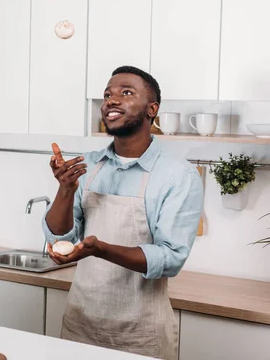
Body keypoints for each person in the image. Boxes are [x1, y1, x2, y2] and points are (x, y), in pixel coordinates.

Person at [42, 66, 203, 359]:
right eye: (107, 95)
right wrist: (65, 190)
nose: (111, 101)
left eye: (126, 93)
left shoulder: (177, 174)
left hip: (141, 334)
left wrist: (100, 249)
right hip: (80, 325)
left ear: (152, 109)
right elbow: (59, 235)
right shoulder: (88, 165)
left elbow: (170, 258)